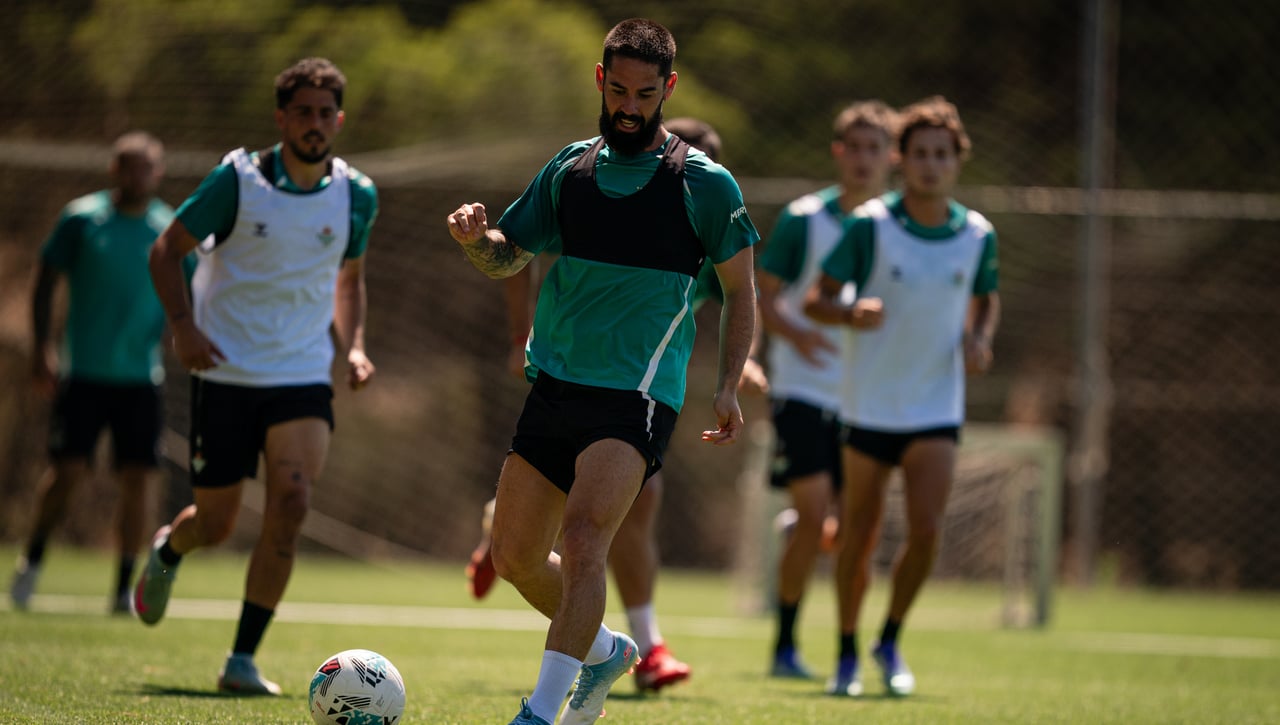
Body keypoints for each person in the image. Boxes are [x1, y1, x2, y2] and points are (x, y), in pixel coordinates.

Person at [446, 19, 758, 725]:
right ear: (600, 79)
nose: (628, 105)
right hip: (554, 385)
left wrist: (728, 381)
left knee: (584, 539)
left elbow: (743, 290)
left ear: (667, 90)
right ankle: (608, 649)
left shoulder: (702, 186)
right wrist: (475, 240)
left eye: (644, 94)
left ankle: (541, 711)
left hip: (638, 396)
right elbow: (510, 253)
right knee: (517, 557)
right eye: (617, 89)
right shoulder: (569, 170)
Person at [135, 57, 378, 696]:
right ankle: (169, 549)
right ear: (281, 117)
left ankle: (241, 659)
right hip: (225, 370)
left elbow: (348, 280)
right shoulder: (238, 180)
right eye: (303, 112)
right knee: (214, 526)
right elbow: (167, 251)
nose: (315, 124)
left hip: (301, 375)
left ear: (339, 120)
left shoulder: (357, 193)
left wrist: (352, 345)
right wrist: (184, 327)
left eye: (326, 113)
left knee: (291, 504)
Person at [804, 95, 1000, 697]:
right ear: (901, 159)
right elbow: (817, 298)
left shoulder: (976, 234)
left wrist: (980, 338)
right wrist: (848, 312)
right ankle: (843, 650)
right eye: (919, 154)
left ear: (957, 161)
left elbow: (986, 296)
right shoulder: (871, 226)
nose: (930, 165)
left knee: (927, 529)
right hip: (869, 406)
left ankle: (888, 639)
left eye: (942, 155)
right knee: (858, 533)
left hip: (936, 407)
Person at [756, 101, 898, 691]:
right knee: (817, 519)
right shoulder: (804, 218)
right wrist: (800, 333)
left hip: (866, 397)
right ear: (839, 152)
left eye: (876, 149)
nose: (865, 160)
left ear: (892, 157)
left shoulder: (898, 228)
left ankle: (851, 638)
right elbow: (761, 297)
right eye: (855, 147)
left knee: (853, 529)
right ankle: (785, 644)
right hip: (802, 388)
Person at [9, 132, 178, 615]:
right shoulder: (82, 219)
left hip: (140, 379)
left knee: (139, 478)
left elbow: (182, 293)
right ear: (114, 170)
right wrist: (42, 346)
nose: (136, 175)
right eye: (127, 166)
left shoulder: (168, 228)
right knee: (67, 472)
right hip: (82, 372)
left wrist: (177, 331)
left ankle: (124, 585)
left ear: (158, 172)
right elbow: (44, 282)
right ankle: (33, 562)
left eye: (145, 167)